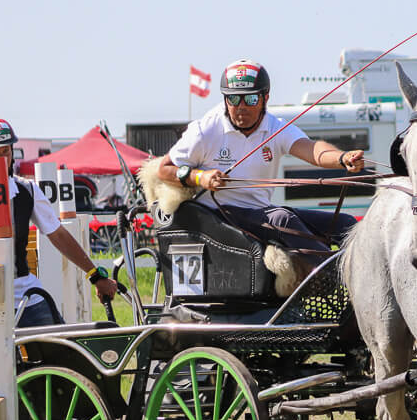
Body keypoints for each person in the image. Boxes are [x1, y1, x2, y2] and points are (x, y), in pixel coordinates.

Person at [155, 59, 362, 266]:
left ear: (265, 98)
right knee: (282, 219)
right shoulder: (205, 130)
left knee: (346, 225)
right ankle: (334, 274)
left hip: (260, 213)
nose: (241, 107)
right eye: (233, 99)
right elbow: (164, 169)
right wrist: (200, 177)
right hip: (218, 216)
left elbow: (310, 149)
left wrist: (342, 158)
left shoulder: (275, 127)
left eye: (251, 99)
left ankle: (358, 274)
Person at [0, 115, 118, 327]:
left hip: (25, 295)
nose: (2, 159)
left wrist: (95, 275)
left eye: (5, 151)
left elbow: (59, 234)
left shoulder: (27, 190)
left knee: (62, 344)